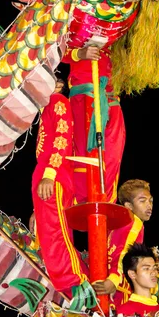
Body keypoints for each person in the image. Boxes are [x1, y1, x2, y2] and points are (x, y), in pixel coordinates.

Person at [31, 77, 90, 299]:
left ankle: (77, 284)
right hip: (48, 174)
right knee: (50, 233)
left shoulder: (58, 100)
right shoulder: (47, 107)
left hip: (52, 174)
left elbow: (62, 139)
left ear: (57, 85)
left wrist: (50, 174)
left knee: (56, 233)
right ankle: (67, 287)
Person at [62, 43, 126, 204]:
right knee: (86, 149)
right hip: (85, 96)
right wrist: (78, 54)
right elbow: (52, 49)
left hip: (112, 98)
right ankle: (85, 198)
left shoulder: (118, 30)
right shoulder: (76, 22)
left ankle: (106, 199)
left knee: (113, 152)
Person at [92, 179, 153, 309]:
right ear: (129, 206)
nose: (149, 205)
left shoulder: (117, 222)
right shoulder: (135, 223)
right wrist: (114, 280)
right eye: (142, 201)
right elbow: (123, 253)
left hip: (100, 274)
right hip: (116, 284)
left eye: (151, 201)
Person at [117, 242, 159, 317]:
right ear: (132, 274)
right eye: (146, 268)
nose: (154, 273)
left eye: (154, 268)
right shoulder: (125, 312)